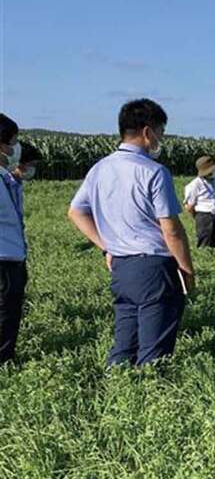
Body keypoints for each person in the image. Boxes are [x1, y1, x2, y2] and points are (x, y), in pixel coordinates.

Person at [67, 99, 196, 367]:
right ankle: (151, 397)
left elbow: (76, 212)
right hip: (154, 266)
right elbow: (171, 230)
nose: (161, 138)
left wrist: (106, 246)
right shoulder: (154, 172)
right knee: (154, 350)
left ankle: (116, 392)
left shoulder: (99, 168)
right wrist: (186, 270)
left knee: (125, 343)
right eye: (160, 132)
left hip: (121, 267)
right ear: (148, 132)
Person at [0, 113, 28, 364]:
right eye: (13, 141)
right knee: (4, 314)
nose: (15, 147)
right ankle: (4, 362)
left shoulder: (4, 177)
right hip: (3, 260)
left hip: (12, 256)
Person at [184, 155, 215, 247]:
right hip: (205, 217)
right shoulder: (194, 185)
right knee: (205, 243)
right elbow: (189, 207)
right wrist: (199, 217)